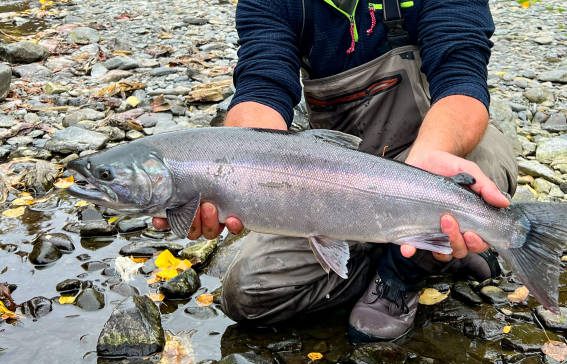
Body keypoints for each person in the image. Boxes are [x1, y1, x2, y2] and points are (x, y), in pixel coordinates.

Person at [154, 0, 518, 342]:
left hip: (428, 154)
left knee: (480, 166)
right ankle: (423, 247)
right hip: (331, 179)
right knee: (248, 294)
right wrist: (231, 176)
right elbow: (262, 87)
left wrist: (432, 156)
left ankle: (400, 274)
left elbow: (461, 79)